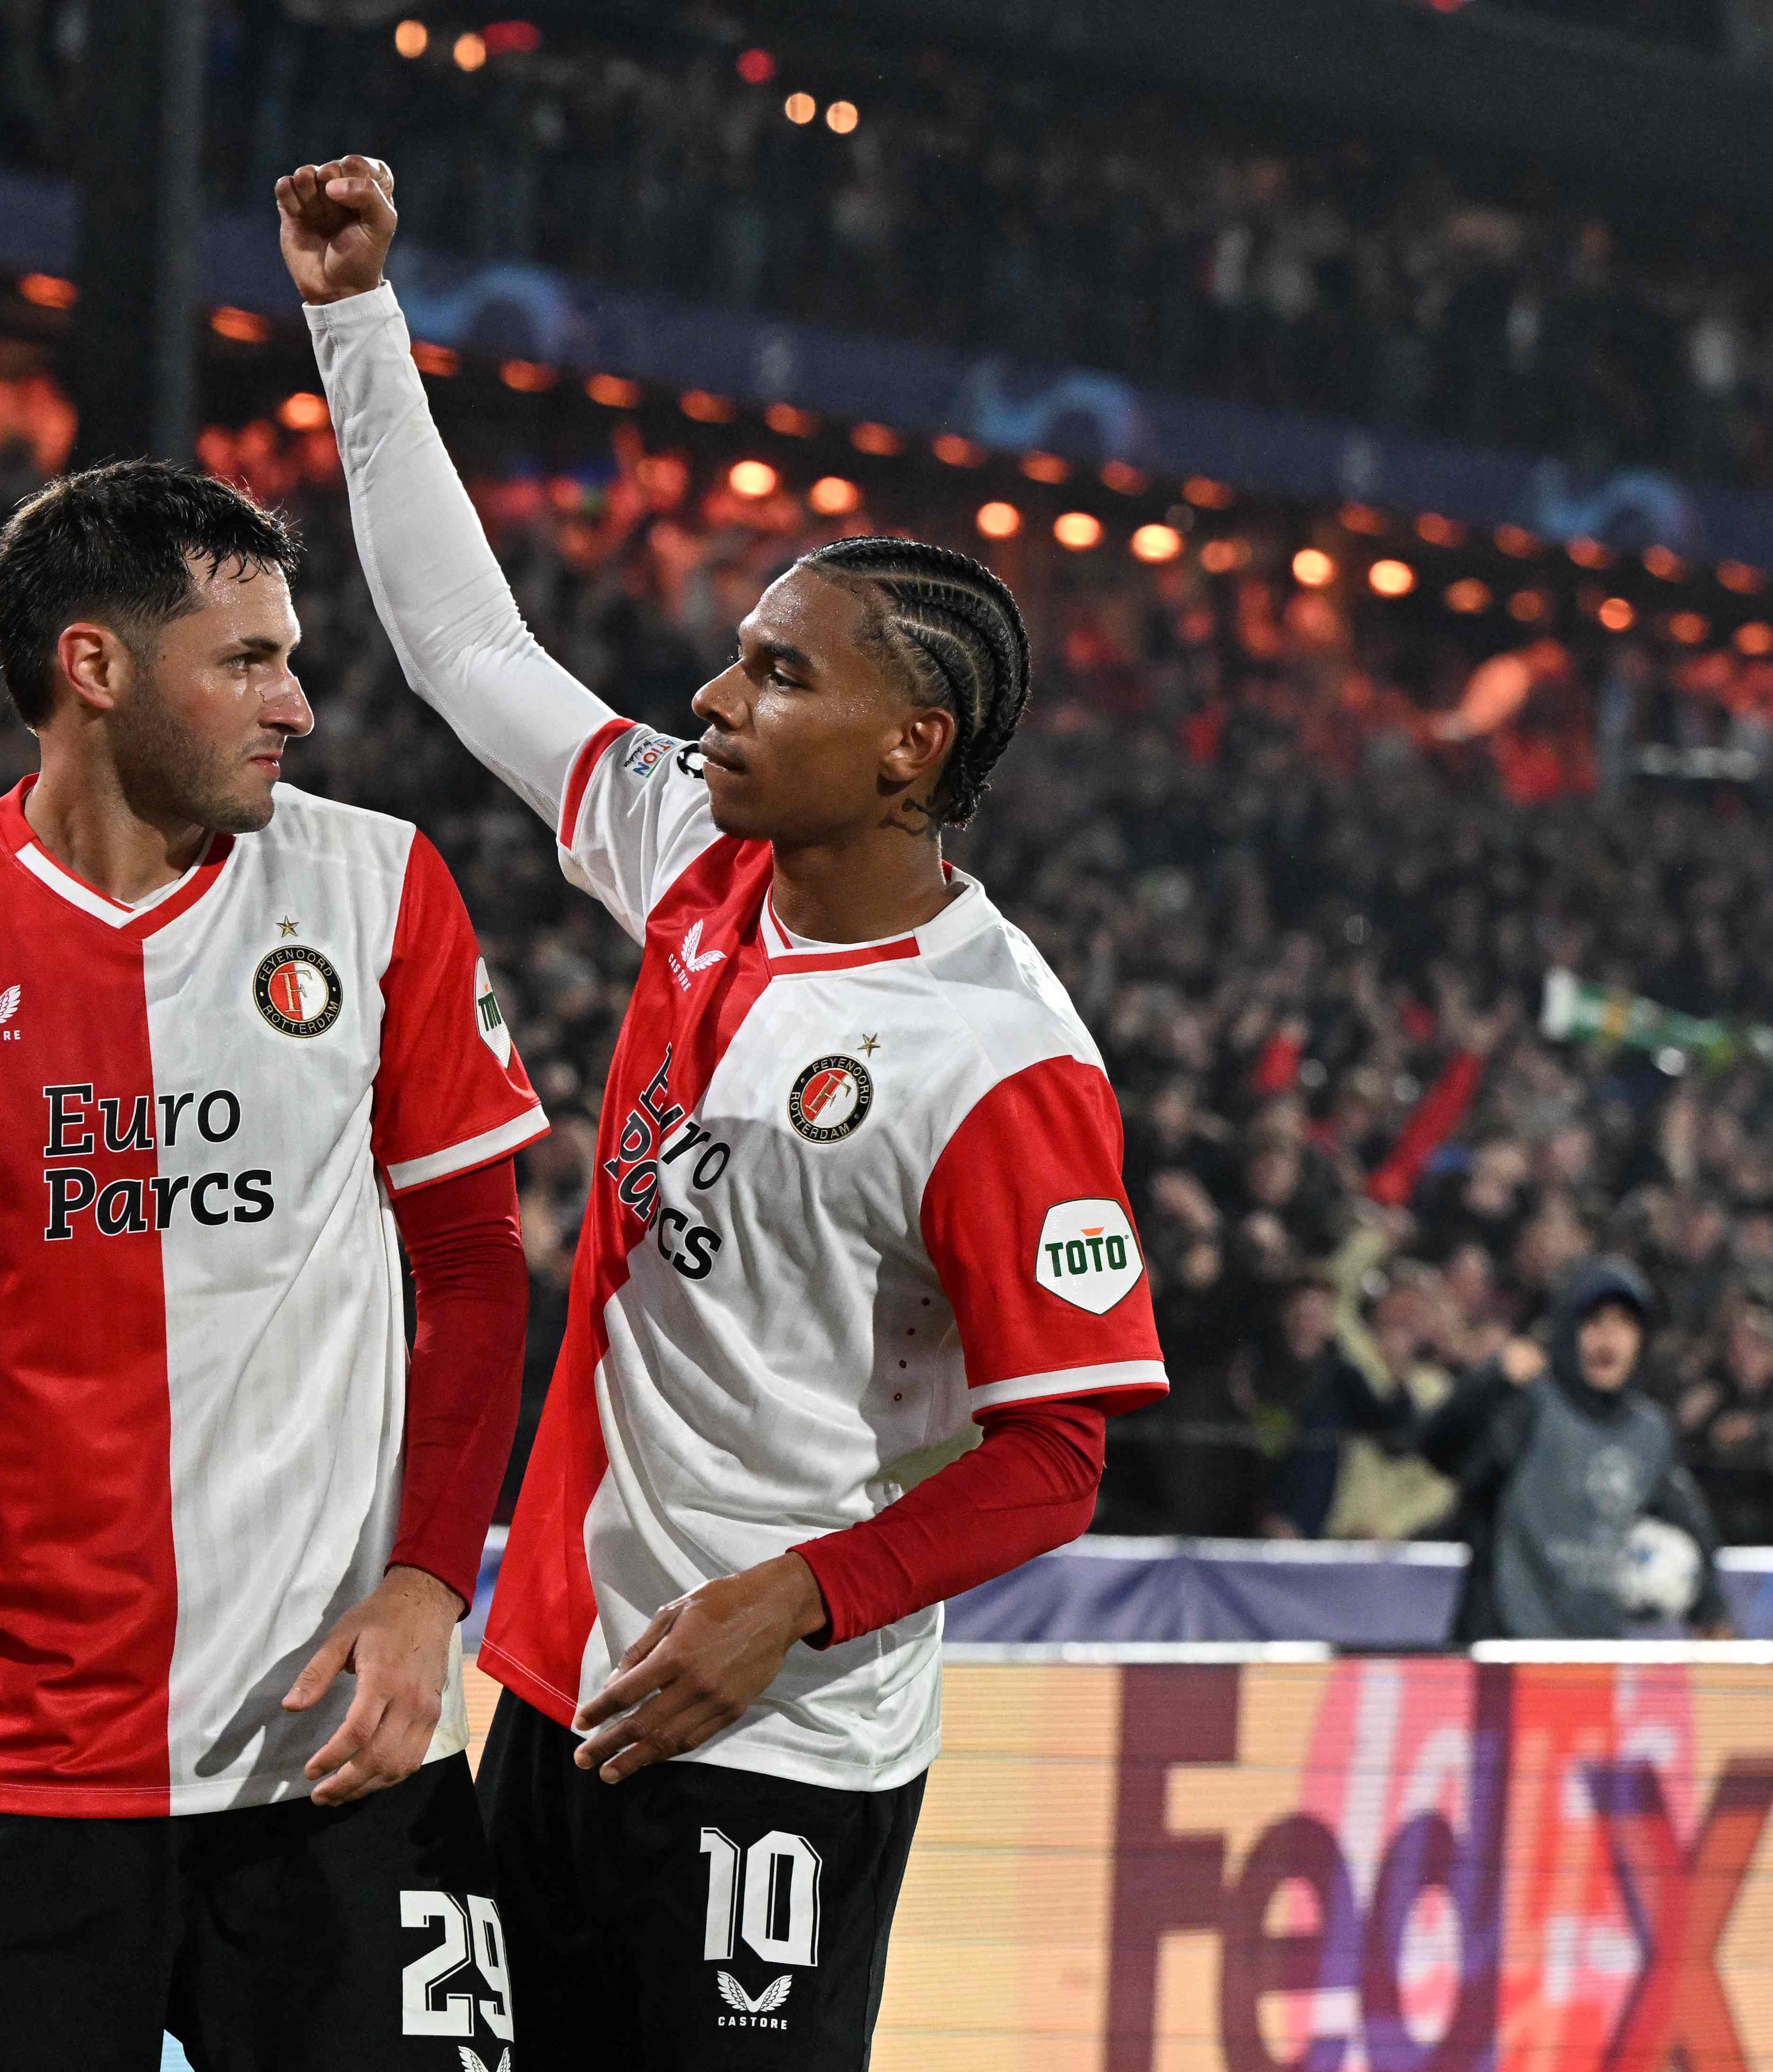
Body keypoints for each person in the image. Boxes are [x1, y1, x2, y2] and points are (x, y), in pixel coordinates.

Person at [286, 156, 1167, 2063]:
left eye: (778, 672)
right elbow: (468, 652)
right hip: (560, 1689)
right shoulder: (693, 861)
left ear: (911, 745)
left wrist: (795, 1595)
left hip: (779, 1743)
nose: (713, 695)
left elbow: (1059, 1452)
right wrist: (355, 318)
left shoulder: (993, 1053)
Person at [0, 458, 547, 2069]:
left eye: (289, 655)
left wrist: (431, 1579)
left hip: (334, 1758)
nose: (294, 702)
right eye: (246, 660)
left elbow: (473, 1258)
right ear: (94, 666)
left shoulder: (377, 886)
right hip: (17, 1760)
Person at [1418, 1257, 1734, 1641]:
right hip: (1507, 1644)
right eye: (1595, 1322)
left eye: (1624, 1324)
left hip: (1593, 1654)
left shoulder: (1649, 1430)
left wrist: (1711, 1608)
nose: (1608, 1339)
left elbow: (1689, 1522)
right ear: (1568, 1329)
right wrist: (1491, 1380)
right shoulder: (1529, 1407)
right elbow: (1436, 1449)